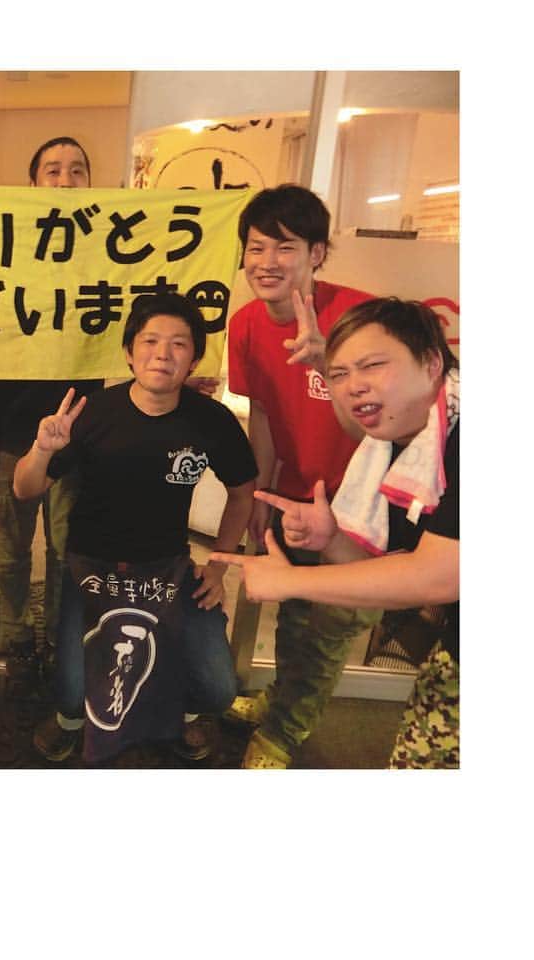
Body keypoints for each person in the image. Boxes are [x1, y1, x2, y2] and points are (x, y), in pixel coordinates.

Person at [211, 298, 459, 768]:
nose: (353, 386)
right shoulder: (400, 443)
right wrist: (332, 540)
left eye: (373, 366)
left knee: (326, 640)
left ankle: (283, 734)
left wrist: (291, 580)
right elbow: (392, 576)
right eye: (339, 374)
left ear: (431, 363)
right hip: (452, 641)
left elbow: (439, 576)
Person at [15, 292, 256, 763]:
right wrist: (42, 449)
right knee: (71, 693)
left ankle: (184, 713)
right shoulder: (93, 412)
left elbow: (243, 491)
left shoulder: (210, 419)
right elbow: (25, 488)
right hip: (91, 567)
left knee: (217, 688)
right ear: (129, 352)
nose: (162, 354)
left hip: (167, 568)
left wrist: (219, 565)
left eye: (178, 344)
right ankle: (68, 721)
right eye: (149, 341)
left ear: (195, 359)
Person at [224, 184, 378, 769]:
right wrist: (260, 495)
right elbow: (263, 413)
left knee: (331, 626)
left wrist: (329, 364)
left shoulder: (361, 319)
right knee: (292, 612)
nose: (266, 262)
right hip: (294, 496)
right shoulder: (245, 324)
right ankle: (281, 700)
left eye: (284, 247)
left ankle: (284, 733)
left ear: (317, 253)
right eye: (255, 247)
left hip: (360, 509)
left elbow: (395, 423)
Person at [0, 136, 103, 659]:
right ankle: (14, 628)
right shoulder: (3, 252)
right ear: (32, 183)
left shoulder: (105, 256)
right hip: (12, 427)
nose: (65, 180)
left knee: (64, 545)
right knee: (12, 545)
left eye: (77, 170)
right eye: (52, 170)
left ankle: (57, 629)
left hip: (78, 428)